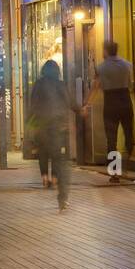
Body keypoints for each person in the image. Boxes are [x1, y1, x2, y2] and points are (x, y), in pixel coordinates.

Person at [27, 59, 86, 212]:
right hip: (59, 128)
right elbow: (70, 102)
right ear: (57, 71)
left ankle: (45, 177)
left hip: (42, 127)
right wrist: (81, 110)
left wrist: (30, 125)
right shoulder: (61, 85)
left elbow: (32, 106)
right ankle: (62, 197)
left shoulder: (38, 85)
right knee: (60, 159)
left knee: (43, 152)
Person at [92, 40, 135, 183]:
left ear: (105, 51)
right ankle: (129, 165)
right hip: (125, 101)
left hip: (110, 104)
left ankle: (114, 173)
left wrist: (87, 104)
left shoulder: (101, 67)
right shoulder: (128, 65)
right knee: (129, 134)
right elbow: (131, 85)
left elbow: (96, 87)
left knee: (111, 139)